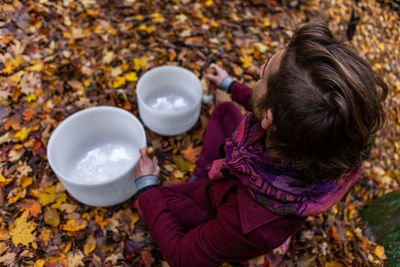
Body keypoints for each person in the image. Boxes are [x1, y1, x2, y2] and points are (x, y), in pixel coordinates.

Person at [133, 22, 388, 267]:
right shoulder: (323, 141)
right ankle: (202, 175)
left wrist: (146, 186)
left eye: (264, 74)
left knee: (151, 202)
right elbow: (277, 109)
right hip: (243, 173)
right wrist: (230, 86)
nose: (258, 70)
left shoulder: (253, 225)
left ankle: (196, 184)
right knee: (224, 110)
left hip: (226, 208)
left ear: (269, 119)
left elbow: (182, 257)